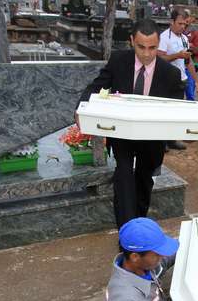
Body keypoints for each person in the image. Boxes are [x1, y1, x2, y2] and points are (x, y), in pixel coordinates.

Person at [77, 18, 184, 230]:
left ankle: (138, 224)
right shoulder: (118, 61)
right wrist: (81, 109)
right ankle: (127, 233)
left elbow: (177, 109)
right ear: (131, 41)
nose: (146, 53)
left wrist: (179, 131)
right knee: (124, 175)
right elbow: (96, 88)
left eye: (152, 48)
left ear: (158, 45)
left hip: (152, 139)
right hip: (122, 135)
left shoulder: (170, 74)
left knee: (144, 181)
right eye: (141, 47)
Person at [158, 8, 198, 151]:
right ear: (172, 22)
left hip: (180, 80)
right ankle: (161, 142)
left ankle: (171, 140)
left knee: (175, 112)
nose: (183, 27)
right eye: (180, 23)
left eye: (185, 24)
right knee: (163, 113)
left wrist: (195, 80)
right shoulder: (164, 37)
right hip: (166, 80)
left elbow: (188, 62)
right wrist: (176, 55)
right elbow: (159, 58)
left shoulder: (184, 39)